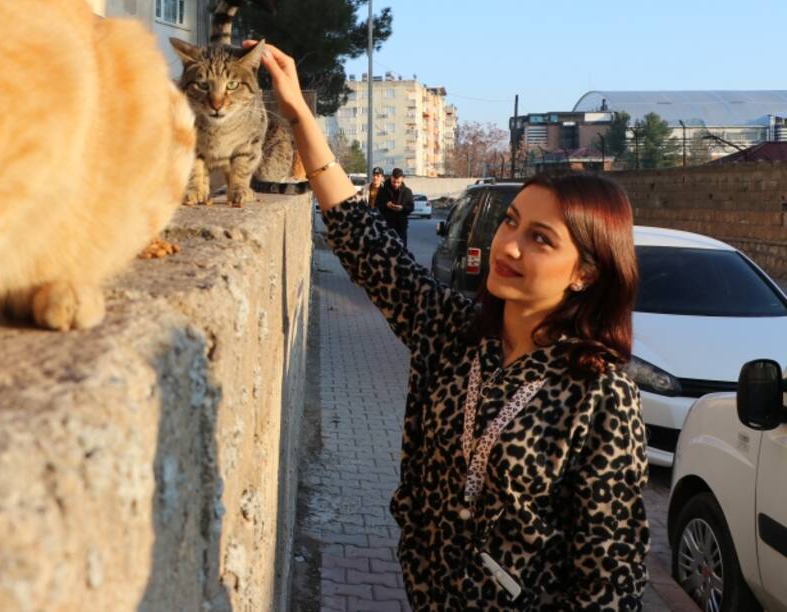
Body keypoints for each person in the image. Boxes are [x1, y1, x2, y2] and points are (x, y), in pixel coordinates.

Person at [248, 39, 649, 609]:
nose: (507, 245)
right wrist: (299, 115)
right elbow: (365, 244)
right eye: (511, 223)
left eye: (540, 239)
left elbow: (610, 581)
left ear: (585, 271)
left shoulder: (599, 394)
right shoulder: (457, 331)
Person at [377, 167, 414, 245]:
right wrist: (386, 205)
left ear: (402, 179)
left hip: (401, 227)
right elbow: (377, 206)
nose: (396, 184)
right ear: (391, 178)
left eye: (398, 182)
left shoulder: (407, 192)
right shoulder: (383, 190)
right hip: (386, 227)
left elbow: (411, 207)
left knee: (402, 251)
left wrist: (402, 208)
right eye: (394, 182)